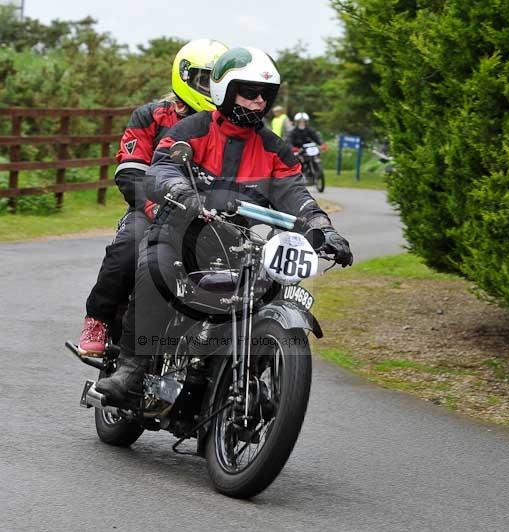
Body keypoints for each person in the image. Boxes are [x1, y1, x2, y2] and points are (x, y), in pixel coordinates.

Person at [95, 46, 354, 402]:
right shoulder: (192, 130)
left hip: (236, 242)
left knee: (272, 287)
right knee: (153, 266)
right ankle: (132, 367)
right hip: (179, 231)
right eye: (248, 93)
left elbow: (297, 195)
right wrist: (182, 191)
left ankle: (248, 375)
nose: (258, 102)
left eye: (265, 95)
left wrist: (323, 228)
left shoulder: (276, 150)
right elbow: (162, 168)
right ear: (225, 91)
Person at [77, 38, 228, 355]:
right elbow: (129, 173)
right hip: (154, 210)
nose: (211, 90)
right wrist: (156, 206)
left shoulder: (231, 127)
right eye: (204, 80)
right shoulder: (150, 116)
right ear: (184, 77)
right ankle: (99, 318)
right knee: (128, 248)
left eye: (218, 82)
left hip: (211, 219)